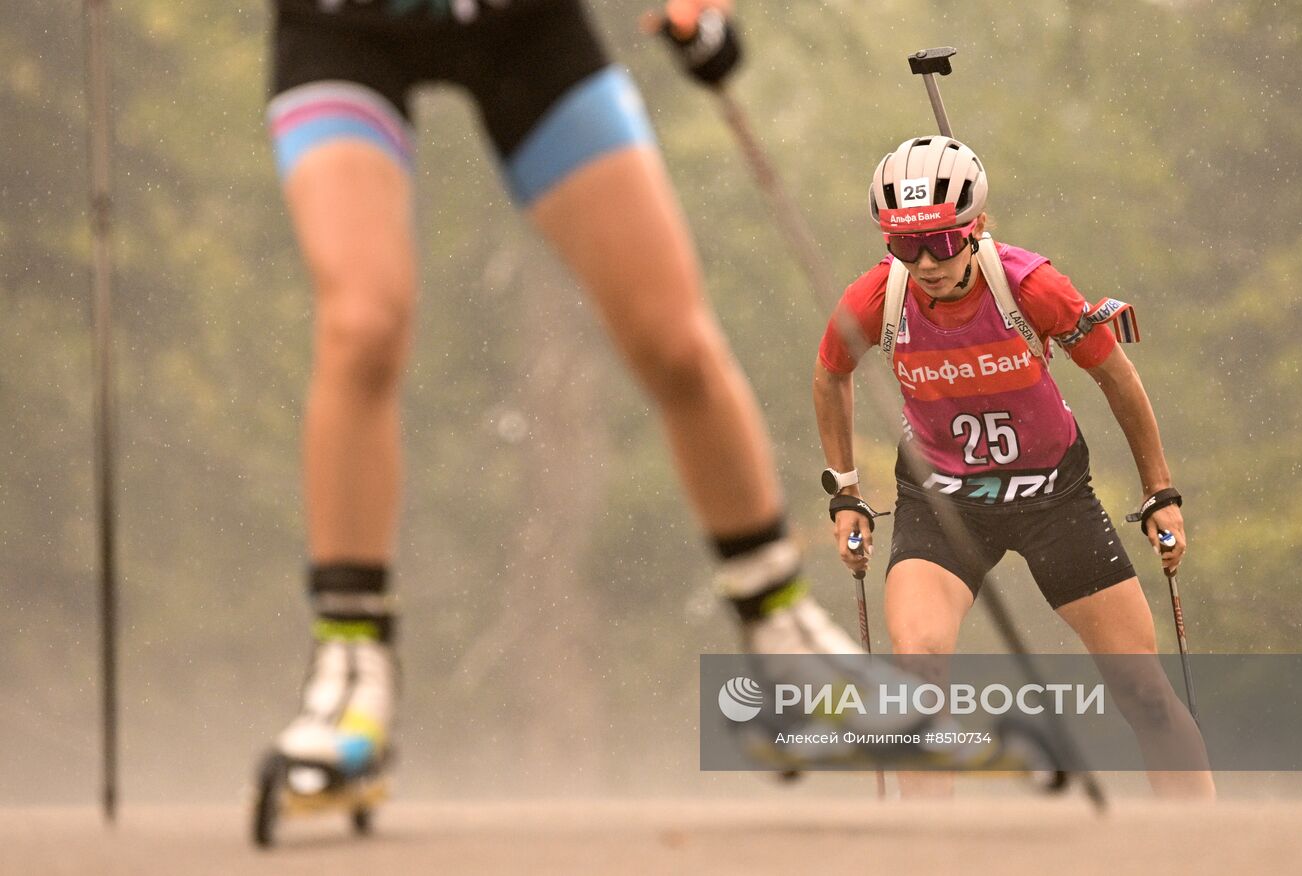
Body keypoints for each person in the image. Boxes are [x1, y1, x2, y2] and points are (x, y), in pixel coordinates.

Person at [261, 0, 862, 790]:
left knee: (673, 339)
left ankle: (783, 635)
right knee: (362, 325)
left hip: (524, 28)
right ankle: (349, 668)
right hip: (342, 30)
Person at [812, 134, 1215, 798]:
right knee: (917, 668)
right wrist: (847, 494)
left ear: (976, 228)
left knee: (1140, 689)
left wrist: (1160, 490)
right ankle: (929, 852)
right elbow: (830, 377)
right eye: (905, 246)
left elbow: (1118, 378)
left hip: (1054, 499)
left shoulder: (1032, 287)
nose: (927, 262)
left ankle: (1203, 847)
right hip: (943, 504)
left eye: (942, 242)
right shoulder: (876, 300)